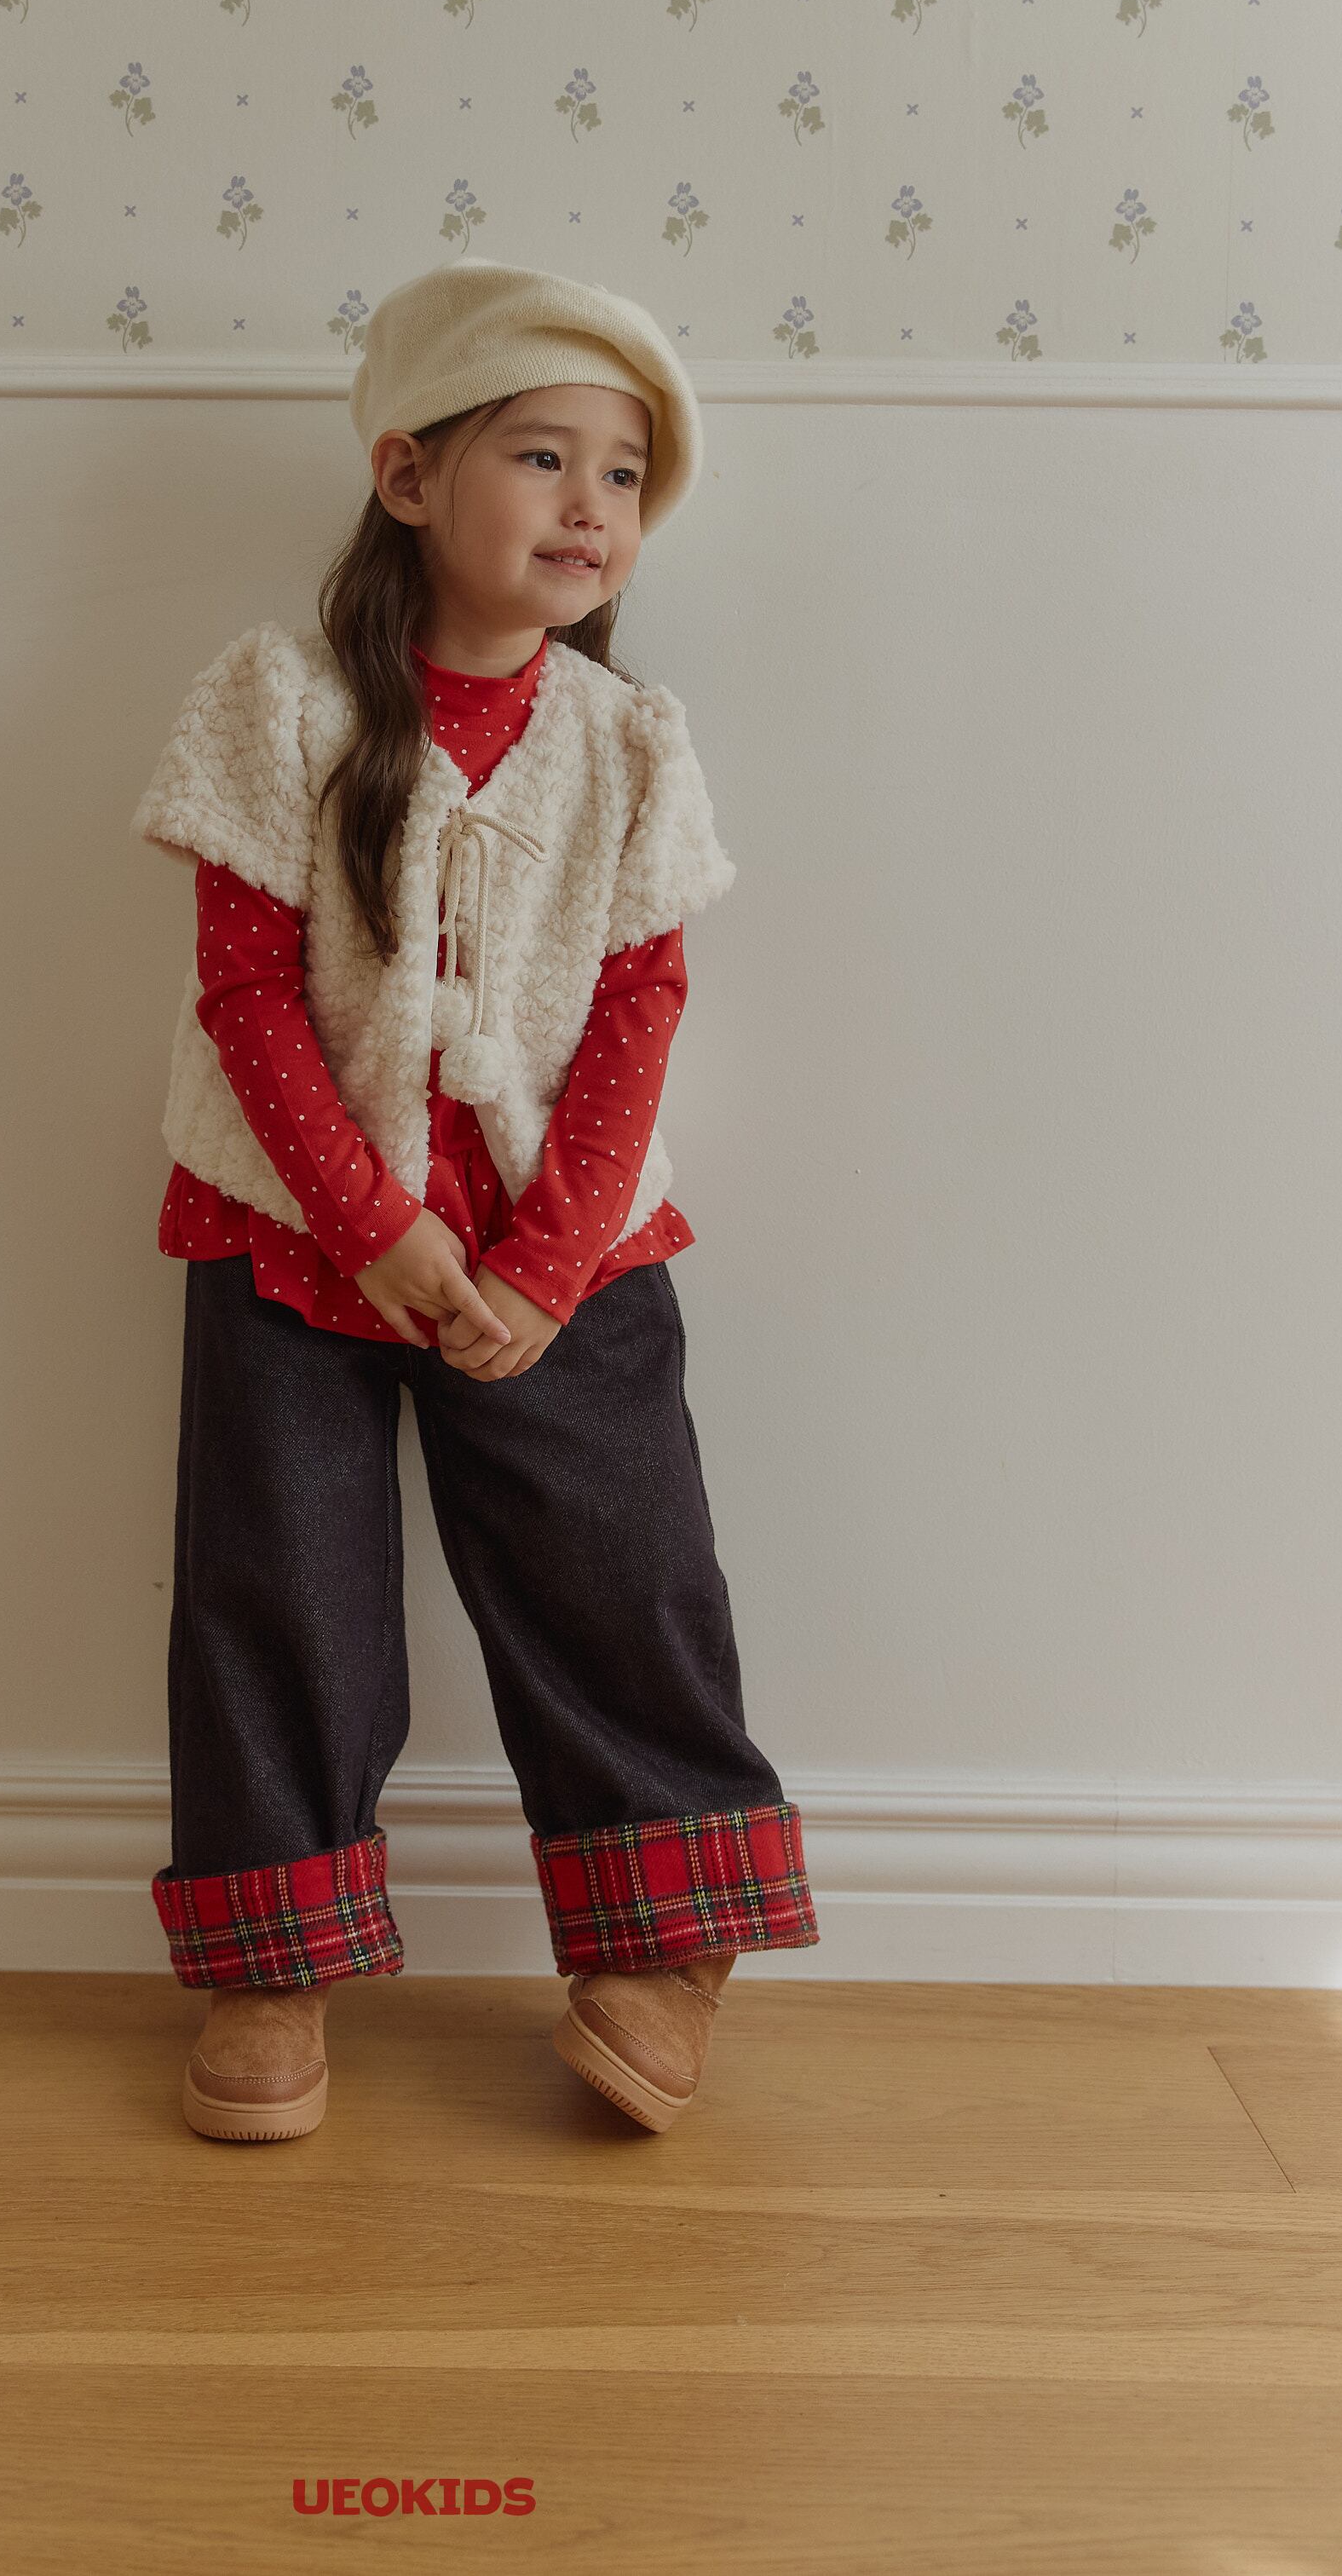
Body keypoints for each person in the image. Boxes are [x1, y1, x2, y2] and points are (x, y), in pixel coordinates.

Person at [128, 260, 817, 2144]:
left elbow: (640, 1001)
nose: (591, 505)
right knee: (279, 1584)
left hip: (559, 1242)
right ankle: (272, 1957)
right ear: (411, 475)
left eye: (625, 474)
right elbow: (247, 993)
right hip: (295, 1228)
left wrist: (544, 1259)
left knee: (619, 1569)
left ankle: (663, 1934)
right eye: (543, 455)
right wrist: (378, 1228)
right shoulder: (280, 706)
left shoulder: (629, 743)